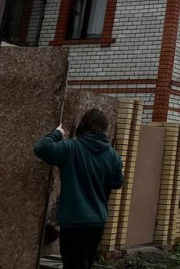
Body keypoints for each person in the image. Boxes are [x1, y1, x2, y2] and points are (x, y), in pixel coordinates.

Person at [34, 109, 125, 269]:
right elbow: (118, 182)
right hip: (98, 222)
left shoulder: (71, 148)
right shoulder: (113, 155)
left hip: (74, 222)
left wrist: (57, 133)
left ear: (84, 125)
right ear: (104, 129)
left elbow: (41, 148)